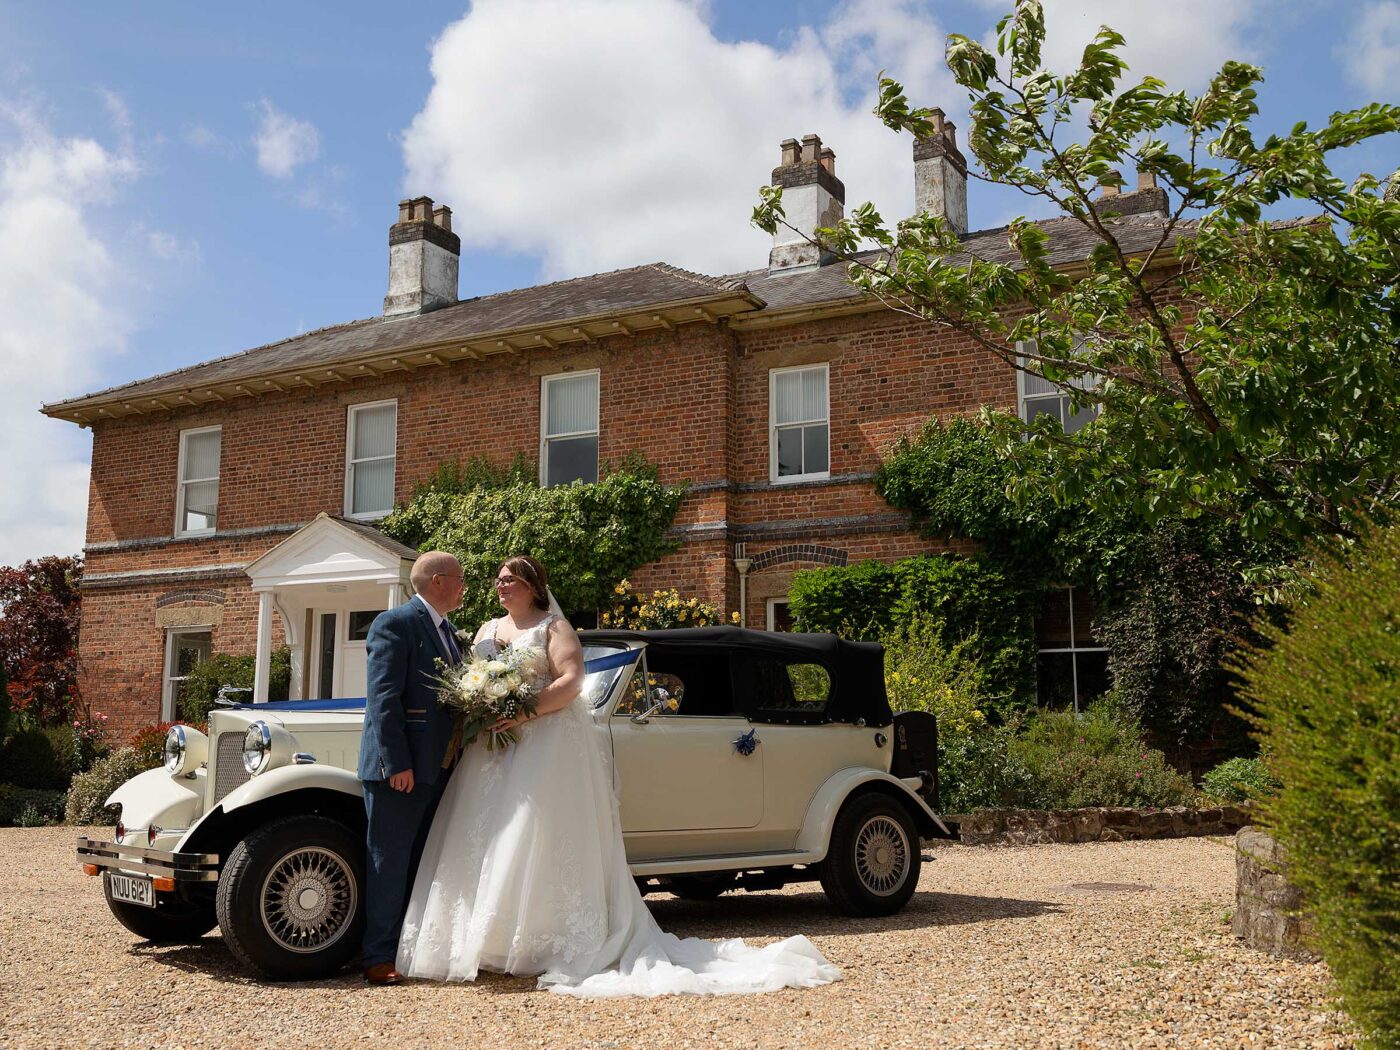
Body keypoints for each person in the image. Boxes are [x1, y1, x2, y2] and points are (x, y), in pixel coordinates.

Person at [396, 555, 840, 997]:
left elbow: (571, 681)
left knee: (536, 840)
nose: (501, 585)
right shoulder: (488, 628)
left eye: (510, 579)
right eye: (499, 579)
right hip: (492, 750)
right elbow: (476, 674)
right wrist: (486, 703)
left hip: (541, 745)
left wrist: (521, 711)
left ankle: (540, 940)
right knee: (486, 838)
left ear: (533, 585)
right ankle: (489, 941)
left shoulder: (554, 628)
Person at [356, 550, 463, 986]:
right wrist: (396, 763)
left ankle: (407, 948)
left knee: (421, 860)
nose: (463, 586)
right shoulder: (394, 623)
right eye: (458, 578)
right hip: (399, 771)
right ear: (437, 581)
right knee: (389, 861)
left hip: (438, 767)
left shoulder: (451, 632)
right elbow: (383, 700)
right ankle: (376, 956)